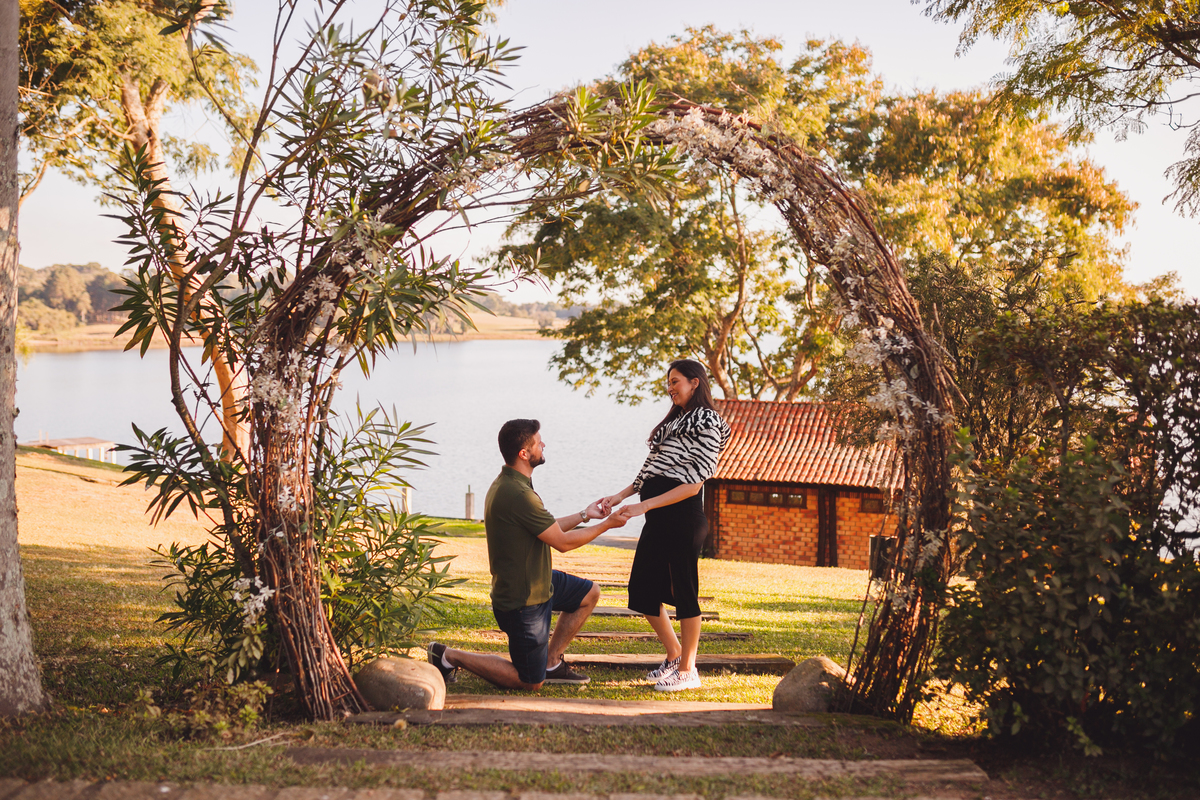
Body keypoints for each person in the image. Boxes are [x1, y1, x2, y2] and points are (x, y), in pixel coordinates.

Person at [428, 418, 631, 690]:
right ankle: (448, 656)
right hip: (523, 602)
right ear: (524, 454)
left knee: (589, 593)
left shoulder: (512, 484)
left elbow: (546, 528)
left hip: (539, 582)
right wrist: (606, 524)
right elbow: (563, 543)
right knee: (529, 682)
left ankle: (551, 661)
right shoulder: (517, 494)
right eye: (538, 442)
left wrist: (586, 514)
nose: (543, 444)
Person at [604, 359, 731, 691]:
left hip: (683, 518)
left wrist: (643, 504)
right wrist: (619, 497)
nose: (671, 387)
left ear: (695, 382)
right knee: (642, 590)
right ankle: (675, 655)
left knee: (685, 593)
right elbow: (650, 472)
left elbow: (693, 484)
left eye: (676, 381)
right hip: (658, 517)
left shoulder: (707, 422)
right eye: (669, 383)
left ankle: (688, 671)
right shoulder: (676, 423)